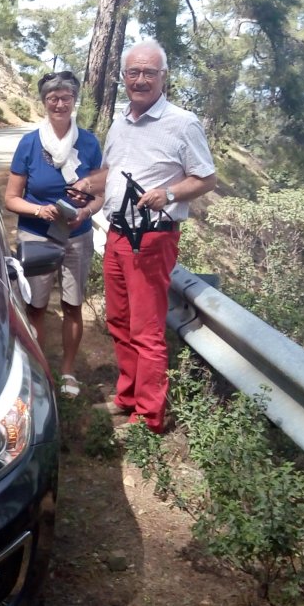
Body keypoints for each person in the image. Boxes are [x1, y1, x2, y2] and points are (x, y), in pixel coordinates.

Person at [71, 41, 216, 432]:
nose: (140, 80)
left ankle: (149, 416)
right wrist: (87, 184)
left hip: (152, 239)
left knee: (146, 329)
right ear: (124, 77)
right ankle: (129, 396)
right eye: (133, 72)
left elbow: (206, 178)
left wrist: (169, 194)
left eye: (149, 72)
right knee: (118, 320)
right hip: (117, 234)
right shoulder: (120, 123)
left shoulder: (182, 123)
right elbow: (112, 173)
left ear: (163, 77)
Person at [5, 70, 103, 398]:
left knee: (72, 305)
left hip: (77, 235)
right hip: (36, 236)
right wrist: (38, 210)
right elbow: (11, 198)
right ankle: (38, 369)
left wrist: (86, 212)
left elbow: (100, 195)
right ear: (44, 102)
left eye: (66, 98)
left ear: (75, 100)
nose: (60, 104)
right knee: (35, 306)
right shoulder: (29, 144)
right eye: (53, 98)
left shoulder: (89, 143)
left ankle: (68, 372)